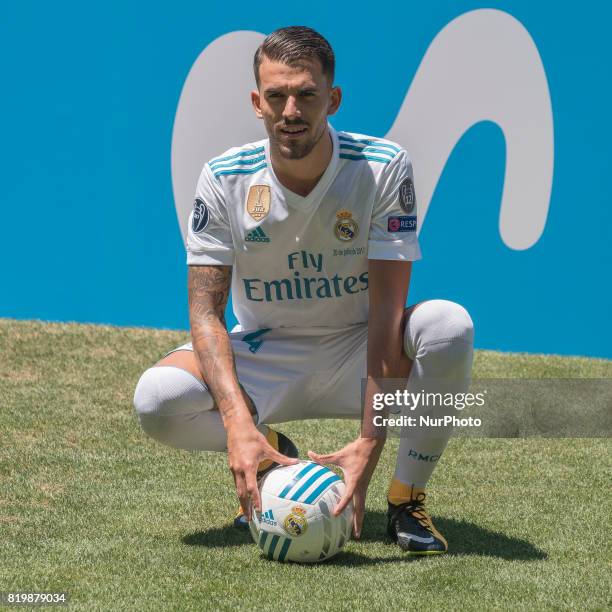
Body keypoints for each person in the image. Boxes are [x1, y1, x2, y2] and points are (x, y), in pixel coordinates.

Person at [133, 25, 474, 555]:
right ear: (257, 102)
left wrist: (370, 440)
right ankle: (272, 449)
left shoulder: (382, 166)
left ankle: (407, 500)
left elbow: (386, 313)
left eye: (306, 94)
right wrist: (238, 424)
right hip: (268, 353)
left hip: (359, 348)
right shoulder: (224, 177)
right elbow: (205, 315)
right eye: (276, 96)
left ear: (332, 99)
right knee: (157, 399)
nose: (291, 109)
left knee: (449, 325)